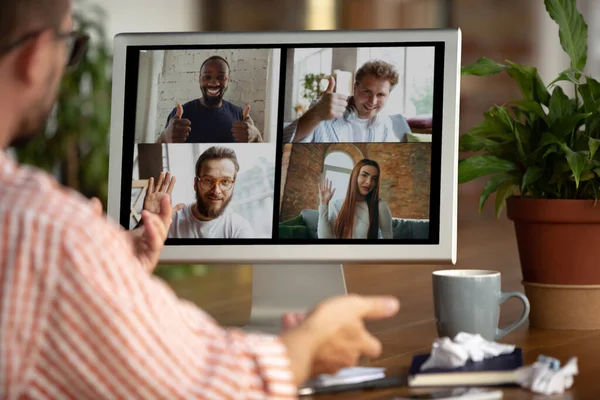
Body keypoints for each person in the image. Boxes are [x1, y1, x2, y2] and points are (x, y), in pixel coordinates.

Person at [0, 1, 401, 398]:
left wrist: (114, 273)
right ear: (36, 56)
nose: (215, 190)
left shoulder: (244, 124)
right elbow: (216, 388)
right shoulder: (40, 229)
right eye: (70, 43)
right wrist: (310, 343)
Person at [283, 60, 412, 143]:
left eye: (381, 95)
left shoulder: (386, 124)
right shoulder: (323, 110)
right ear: (355, 87)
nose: (373, 101)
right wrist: (316, 114)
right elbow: (285, 144)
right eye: (367, 91)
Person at [143, 146, 255, 239]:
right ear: (196, 183)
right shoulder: (169, 222)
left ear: (233, 185)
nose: (216, 191)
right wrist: (145, 223)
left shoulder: (239, 229)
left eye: (225, 181)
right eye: (208, 180)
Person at [157, 55, 263, 144]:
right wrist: (164, 137)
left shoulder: (240, 114)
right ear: (200, 79)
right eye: (207, 77)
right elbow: (155, 152)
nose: (214, 83)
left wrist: (256, 136)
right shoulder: (179, 115)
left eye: (221, 77)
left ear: (228, 80)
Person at [318, 159, 394, 239]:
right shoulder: (335, 204)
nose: (369, 182)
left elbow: (388, 236)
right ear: (355, 176)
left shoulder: (380, 206)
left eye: (374, 178)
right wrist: (323, 204)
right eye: (364, 175)